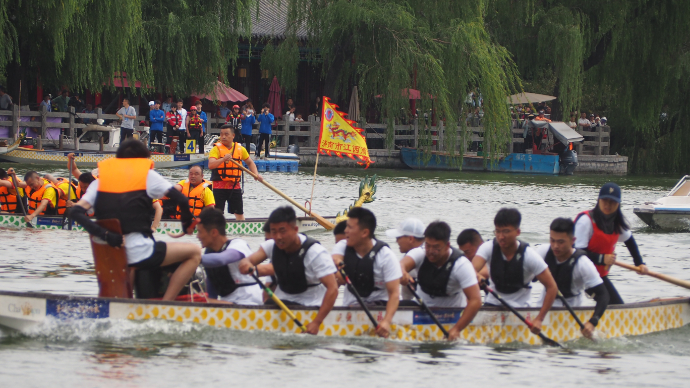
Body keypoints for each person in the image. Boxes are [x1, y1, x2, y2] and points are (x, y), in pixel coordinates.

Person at [68, 139, 201, 301]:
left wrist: (106, 236)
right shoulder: (146, 175)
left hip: (108, 254)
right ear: (142, 159)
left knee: (131, 263)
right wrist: (187, 223)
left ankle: (122, 301)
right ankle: (166, 304)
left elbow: (75, 212)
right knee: (195, 253)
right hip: (140, 253)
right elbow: (181, 199)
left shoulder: (99, 183)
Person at [238, 206, 339, 334]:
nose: (278, 237)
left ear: (295, 229)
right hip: (282, 305)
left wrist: (317, 322)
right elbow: (247, 261)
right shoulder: (271, 246)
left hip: (311, 307)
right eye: (273, 232)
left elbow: (333, 289)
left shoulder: (315, 252)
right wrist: (246, 265)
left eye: (282, 231)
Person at [471, 208, 558, 334]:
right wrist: (476, 276)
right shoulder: (488, 248)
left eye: (506, 232)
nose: (501, 237)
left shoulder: (529, 256)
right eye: (498, 231)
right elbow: (469, 271)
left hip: (520, 311)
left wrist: (539, 319)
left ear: (518, 232)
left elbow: (552, 287)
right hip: (492, 306)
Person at [399, 221, 482, 341]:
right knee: (395, 306)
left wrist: (457, 329)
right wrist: (403, 273)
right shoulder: (420, 253)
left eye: (436, 247)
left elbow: (476, 300)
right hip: (422, 310)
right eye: (428, 245)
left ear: (447, 245)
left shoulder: (461, 265)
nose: (431, 251)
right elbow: (401, 265)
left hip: (451, 315)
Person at [331, 208, 401, 338]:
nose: (345, 231)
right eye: (346, 226)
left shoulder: (386, 256)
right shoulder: (342, 246)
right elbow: (336, 260)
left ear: (364, 232)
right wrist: (336, 264)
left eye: (350, 227)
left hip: (380, 312)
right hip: (350, 311)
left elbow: (395, 293)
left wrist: (386, 321)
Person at [574, 182, 648, 305]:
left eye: (612, 202)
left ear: (618, 204)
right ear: (598, 201)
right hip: (577, 274)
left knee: (617, 305)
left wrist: (639, 263)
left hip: (597, 275)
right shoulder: (586, 221)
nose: (608, 205)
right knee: (607, 301)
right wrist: (601, 258)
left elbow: (629, 241)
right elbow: (575, 254)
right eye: (605, 200)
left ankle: (599, 322)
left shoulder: (618, 223)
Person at [535, 218, 609, 339]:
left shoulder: (583, 263)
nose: (555, 246)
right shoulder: (543, 252)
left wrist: (592, 322)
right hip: (542, 310)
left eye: (560, 242)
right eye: (552, 240)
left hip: (571, 313)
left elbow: (603, 295)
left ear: (573, 241)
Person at [196, 208, 263, 305]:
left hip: (249, 303)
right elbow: (211, 295)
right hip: (228, 305)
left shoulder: (238, 244)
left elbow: (222, 259)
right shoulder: (209, 254)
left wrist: (193, 259)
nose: (197, 236)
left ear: (214, 232)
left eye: (200, 232)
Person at [208, 124, 262, 220]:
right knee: (217, 214)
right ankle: (217, 229)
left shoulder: (240, 149)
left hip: (234, 186)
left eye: (226, 134)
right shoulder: (215, 149)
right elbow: (211, 165)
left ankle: (241, 229)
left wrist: (256, 174)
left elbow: (250, 162)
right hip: (219, 186)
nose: (223, 137)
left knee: (239, 213)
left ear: (233, 136)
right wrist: (223, 159)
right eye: (221, 134)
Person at [386, 218, 425, 301]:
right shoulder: (404, 258)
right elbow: (406, 299)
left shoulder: (423, 252)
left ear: (411, 239)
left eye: (399, 237)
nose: (396, 241)